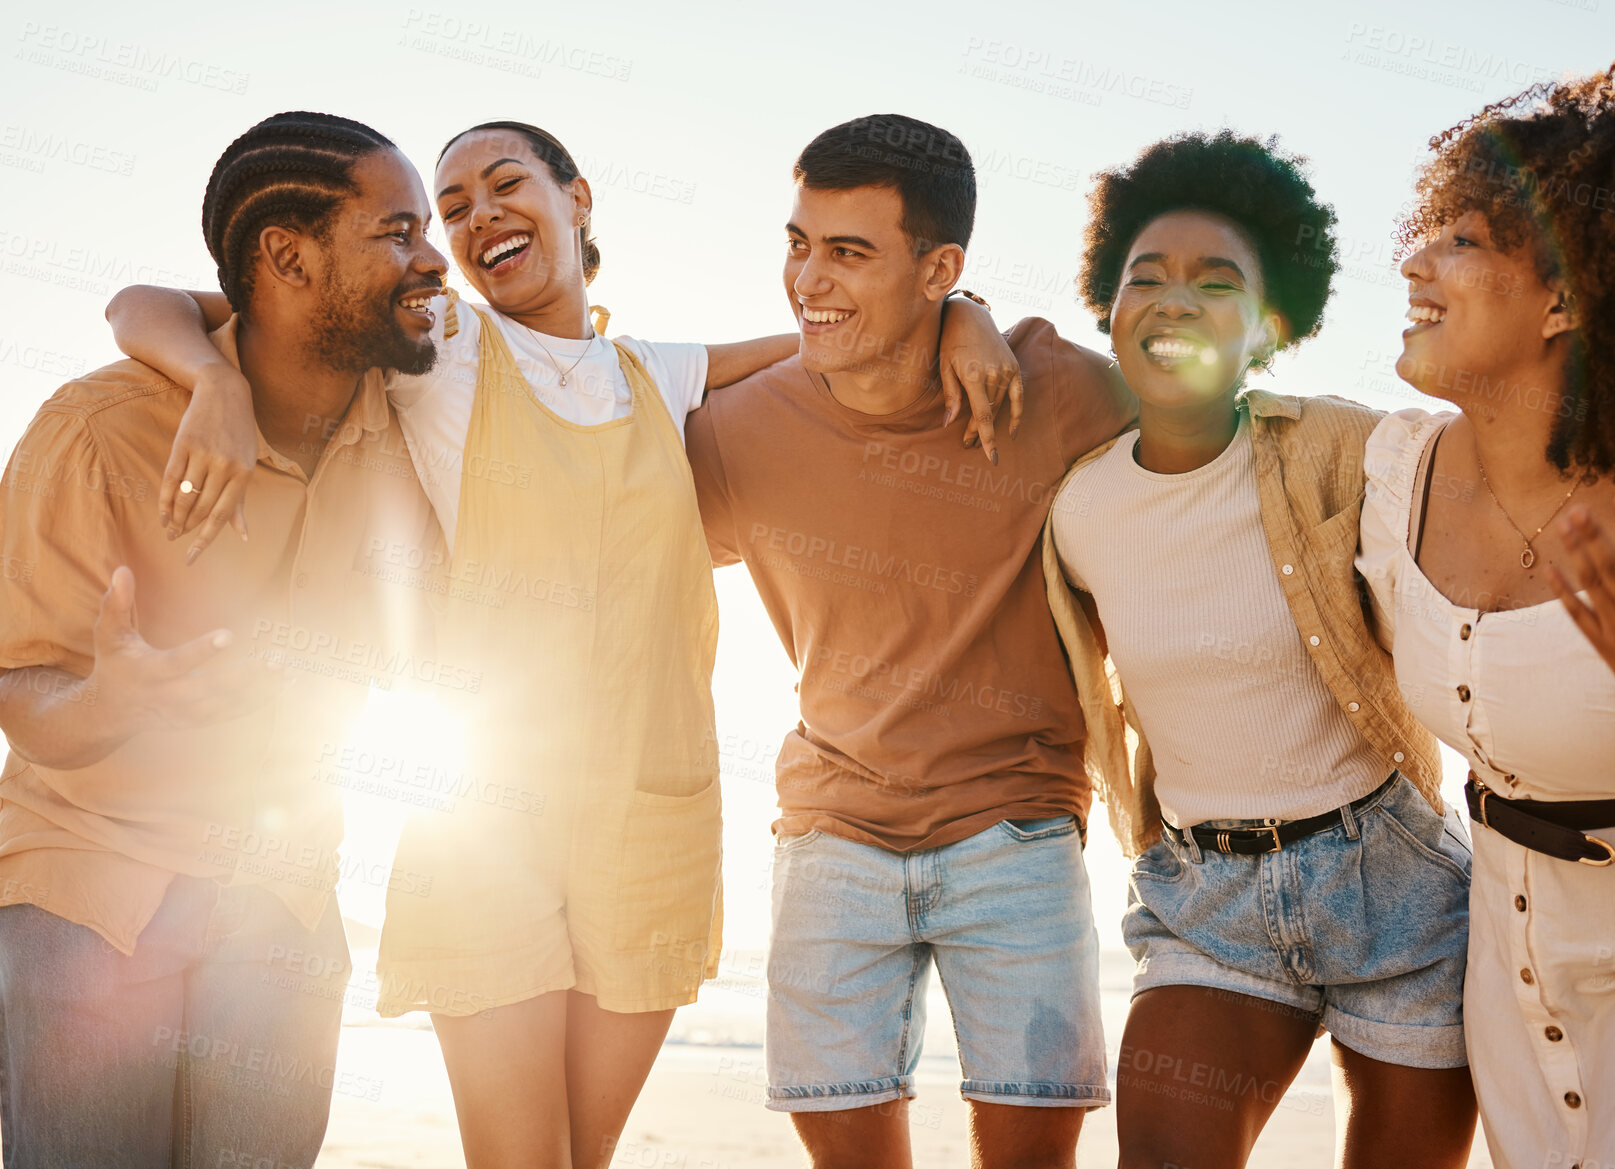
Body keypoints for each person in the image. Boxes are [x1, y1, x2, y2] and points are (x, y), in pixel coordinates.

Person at [106, 119, 1020, 1169]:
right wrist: (213, 382)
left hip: (652, 816)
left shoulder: (658, 371)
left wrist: (963, 316)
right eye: (451, 208)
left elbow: (841, 339)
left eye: (504, 184)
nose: (476, 215)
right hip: (490, 818)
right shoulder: (437, 342)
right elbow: (147, 305)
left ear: (575, 199)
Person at [685, 113, 1135, 1169]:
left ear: (939, 267)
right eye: (798, 242)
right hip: (830, 829)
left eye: (849, 252)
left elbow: (1211, 450)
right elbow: (595, 451)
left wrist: (972, 321)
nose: (809, 278)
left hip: (1016, 828)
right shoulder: (736, 431)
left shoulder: (1061, 389)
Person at [0, 111, 442, 1168]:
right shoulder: (97, 430)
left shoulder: (421, 411)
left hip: (281, 896)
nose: (433, 260)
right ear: (287, 257)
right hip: (88, 891)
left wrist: (219, 371)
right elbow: (18, 684)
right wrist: (114, 701)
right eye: (397, 233)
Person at [1042, 131, 1475, 1169]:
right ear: (1110, 305)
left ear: (1270, 325)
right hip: (1208, 898)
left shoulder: (1344, 447)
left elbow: (1490, 461)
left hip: (1397, 886)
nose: (1175, 300)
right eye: (1145, 277)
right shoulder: (1077, 506)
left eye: (1216, 281)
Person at [1356, 63, 1615, 1167]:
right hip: (1500, 971)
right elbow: (1161, 393)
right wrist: (974, 319)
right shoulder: (1386, 469)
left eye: (1461, 241)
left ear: (1566, 299)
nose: (1414, 261)